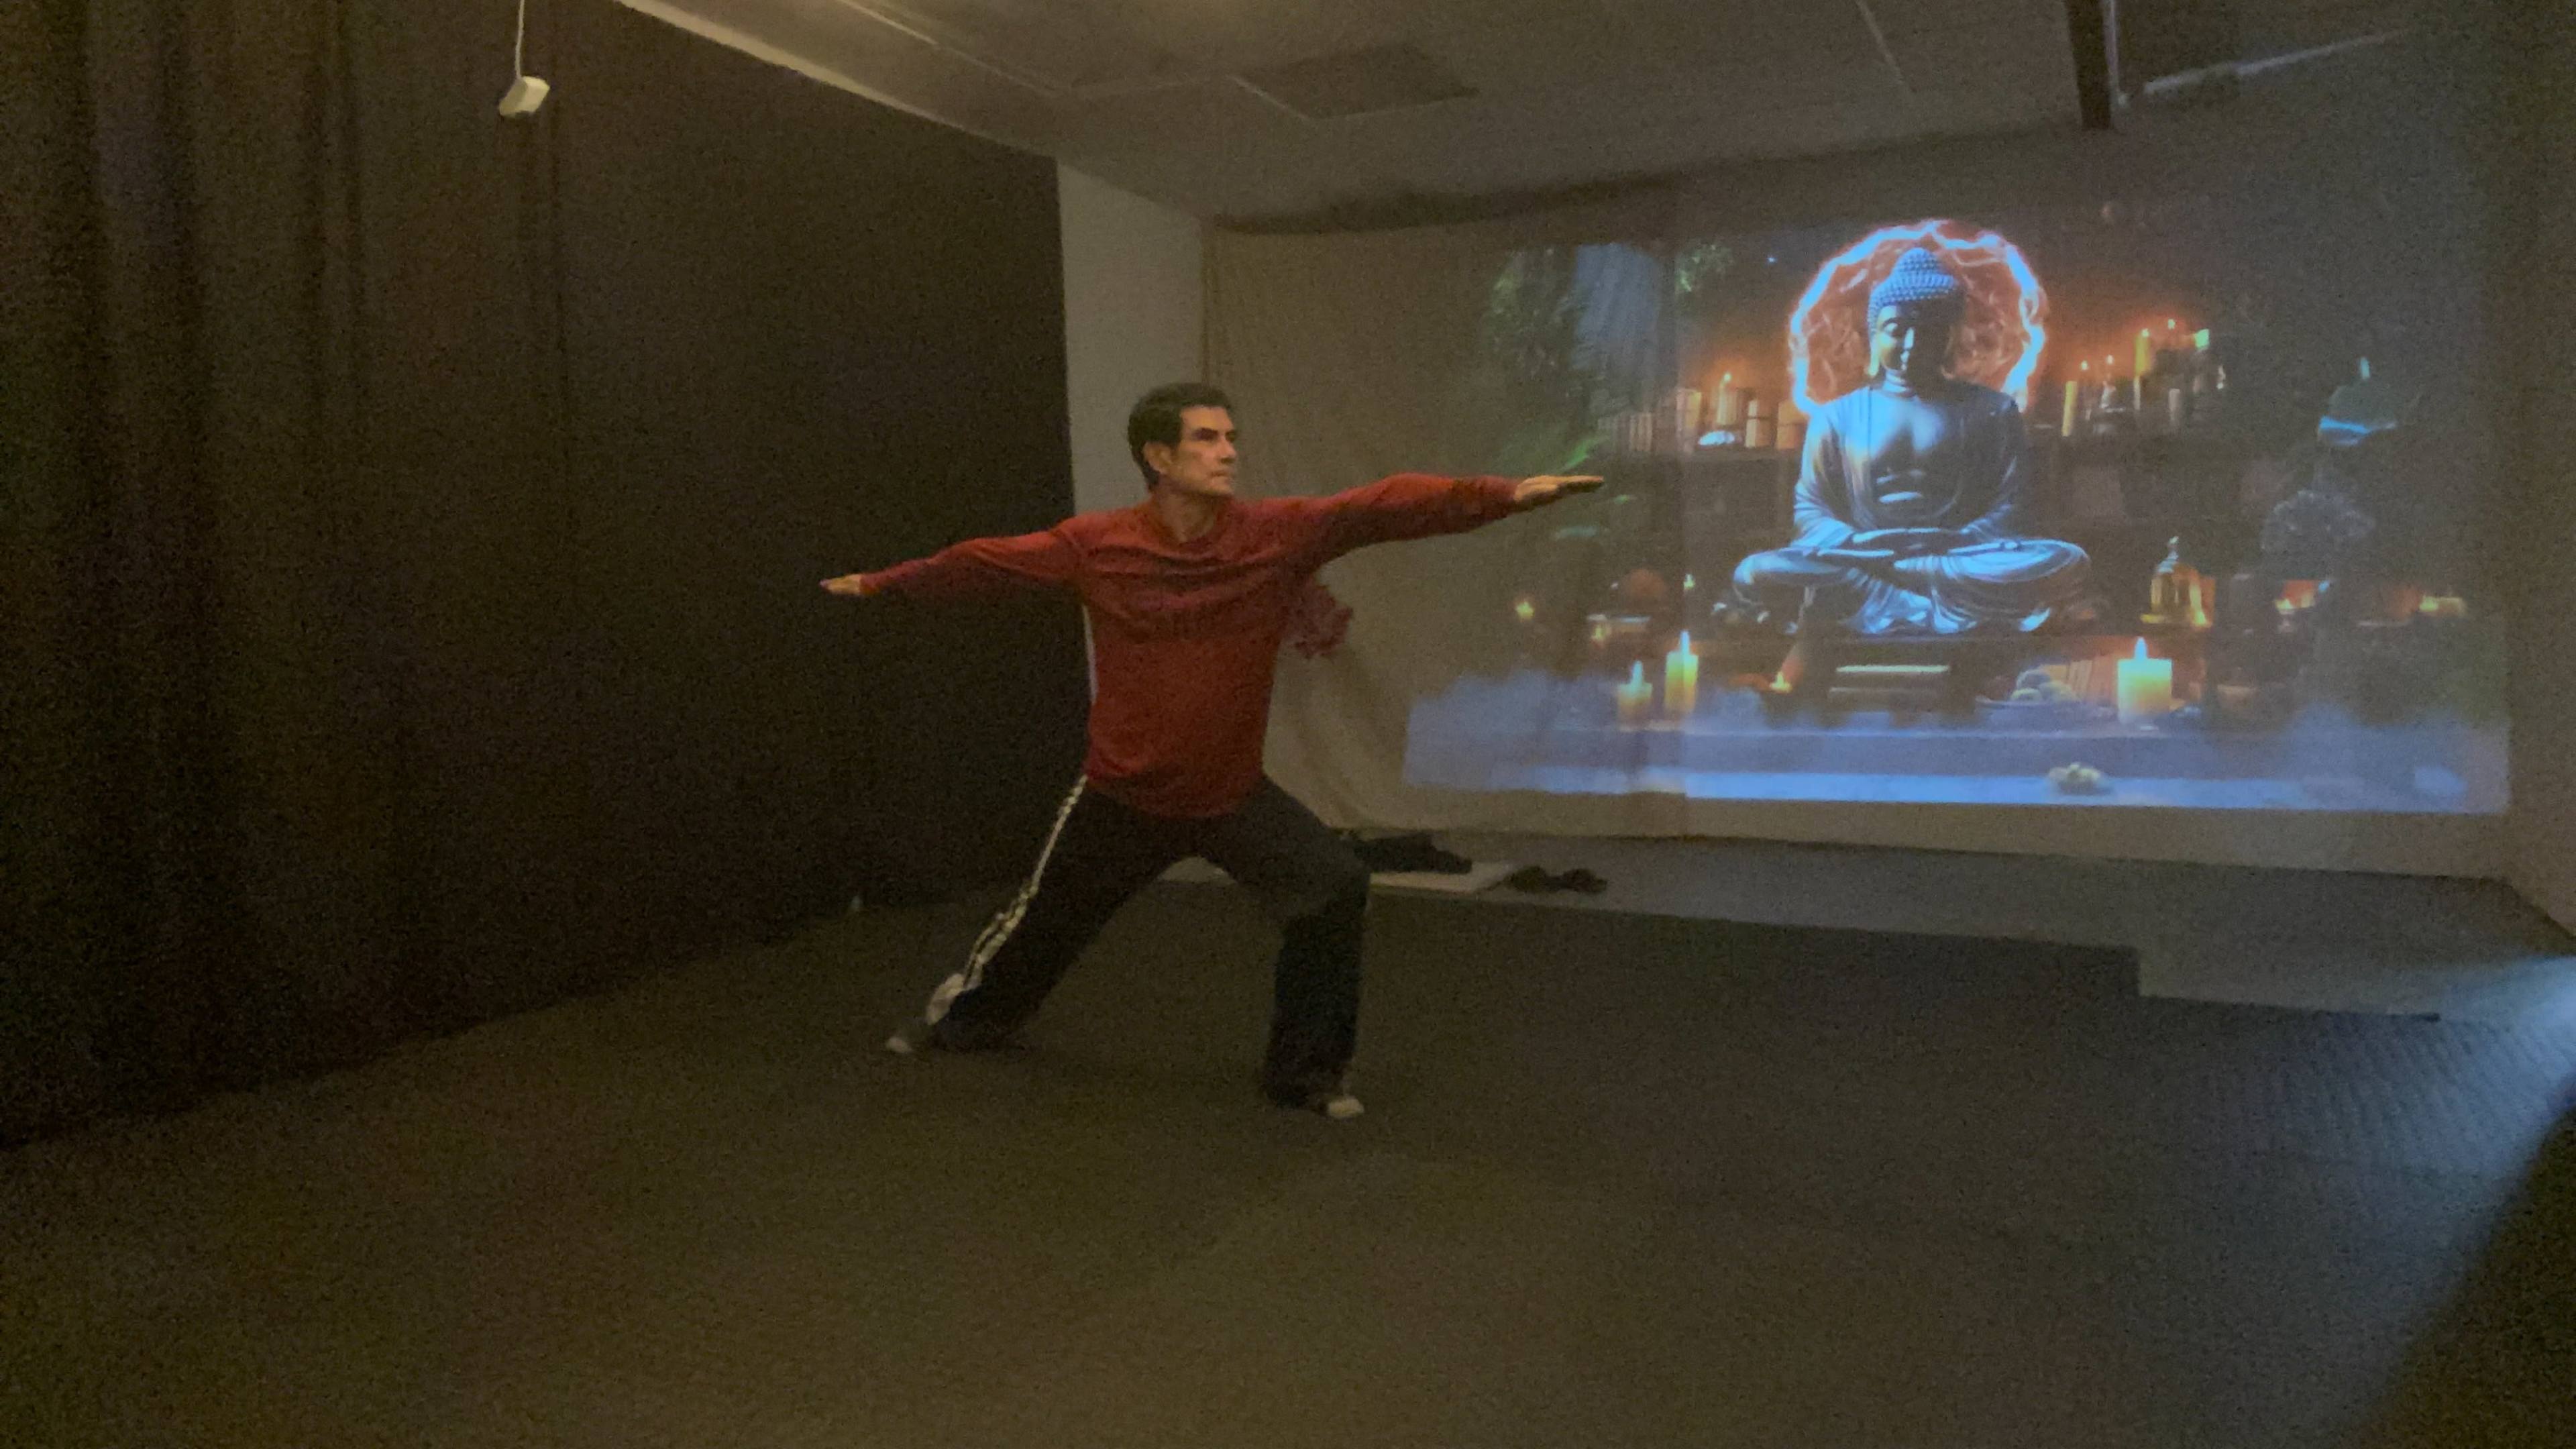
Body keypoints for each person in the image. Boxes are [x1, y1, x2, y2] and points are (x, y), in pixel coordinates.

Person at [823, 383, 1600, 1118]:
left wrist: (1501, 495)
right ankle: (965, 1020)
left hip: (1229, 795)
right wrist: (889, 583)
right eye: (1207, 438)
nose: (1228, 451)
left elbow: (1379, 506)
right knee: (1040, 920)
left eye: (1231, 437)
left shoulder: (1276, 535)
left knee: (1333, 889)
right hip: (1121, 796)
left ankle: (1304, 1075)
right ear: (1159, 459)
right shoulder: (1097, 545)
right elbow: (987, 563)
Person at [1731, 248, 2088, 636]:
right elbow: (1811, 508)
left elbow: (2013, 505)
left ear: (1951, 336)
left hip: (1955, 558)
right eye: (1897, 330)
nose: (1912, 343)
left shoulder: (1991, 411)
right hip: (1863, 562)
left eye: (1931, 330)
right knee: (1757, 571)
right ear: (1874, 333)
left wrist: (1960, 538)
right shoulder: (1837, 417)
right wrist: (1856, 541)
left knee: (2064, 560)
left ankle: (1903, 598)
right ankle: (1929, 602)